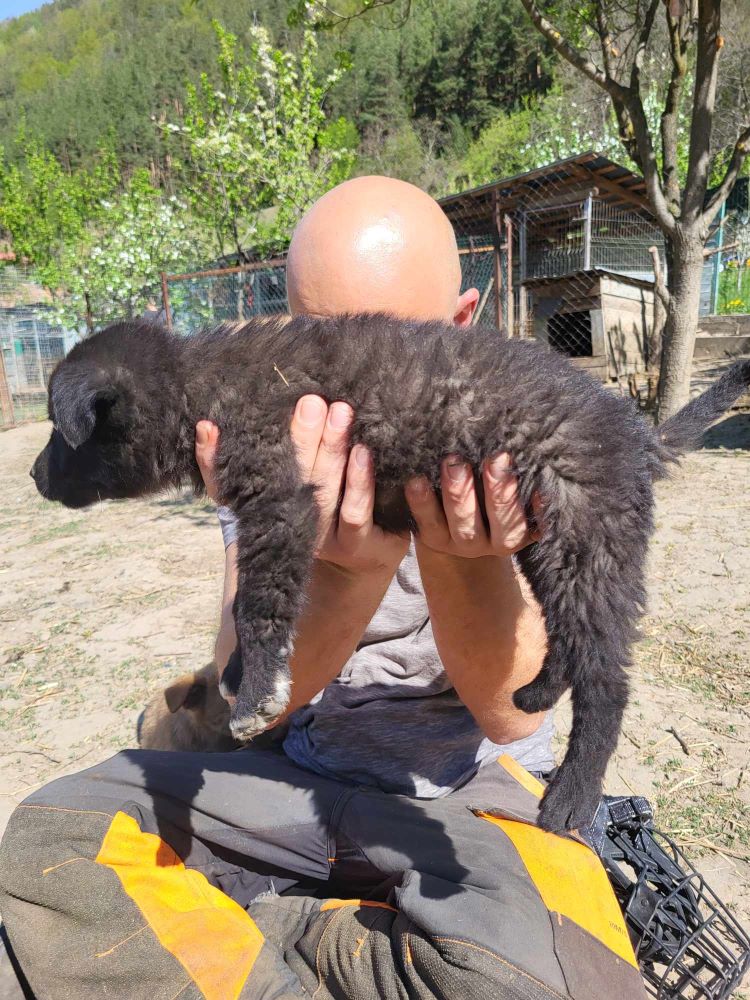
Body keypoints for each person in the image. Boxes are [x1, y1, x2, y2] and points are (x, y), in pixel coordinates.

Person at [0, 177, 645, 999]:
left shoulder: (512, 447)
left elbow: (513, 711)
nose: (334, 368)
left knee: (554, 980)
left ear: (458, 330)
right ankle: (322, 945)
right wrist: (345, 572)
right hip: (297, 778)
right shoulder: (273, 430)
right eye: (310, 333)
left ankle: (267, 939)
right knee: (46, 846)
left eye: (372, 333)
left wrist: (462, 556)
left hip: (466, 799)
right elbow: (251, 698)